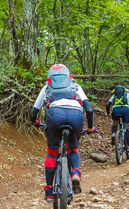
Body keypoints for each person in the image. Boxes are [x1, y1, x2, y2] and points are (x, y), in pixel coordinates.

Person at [28, 64, 95, 201]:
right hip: (75, 115)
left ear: (50, 78)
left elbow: (33, 112)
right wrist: (89, 128)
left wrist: (35, 122)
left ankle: (49, 190)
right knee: (73, 148)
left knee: (52, 152)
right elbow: (89, 109)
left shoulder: (47, 88)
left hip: (55, 115)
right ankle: (75, 172)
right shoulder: (76, 87)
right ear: (68, 76)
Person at [106, 85, 129, 154]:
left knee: (115, 124)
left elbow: (108, 105)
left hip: (115, 110)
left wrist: (108, 113)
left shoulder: (114, 96)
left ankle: (114, 134)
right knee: (128, 128)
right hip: (125, 111)